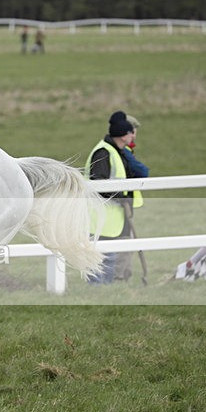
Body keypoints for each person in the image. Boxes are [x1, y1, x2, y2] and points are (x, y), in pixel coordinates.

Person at [83, 110, 142, 284]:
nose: (133, 136)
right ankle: (97, 292)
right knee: (102, 257)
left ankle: (106, 292)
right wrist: (121, 196)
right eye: (131, 132)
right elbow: (99, 184)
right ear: (124, 135)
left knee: (110, 256)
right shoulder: (104, 152)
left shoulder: (115, 151)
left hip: (113, 217)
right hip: (102, 216)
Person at [114, 114, 149, 281]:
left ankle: (123, 275)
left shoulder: (123, 150)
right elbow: (142, 172)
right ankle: (120, 276)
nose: (134, 136)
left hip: (125, 204)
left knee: (125, 240)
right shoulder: (122, 151)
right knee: (123, 240)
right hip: (120, 204)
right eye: (132, 132)